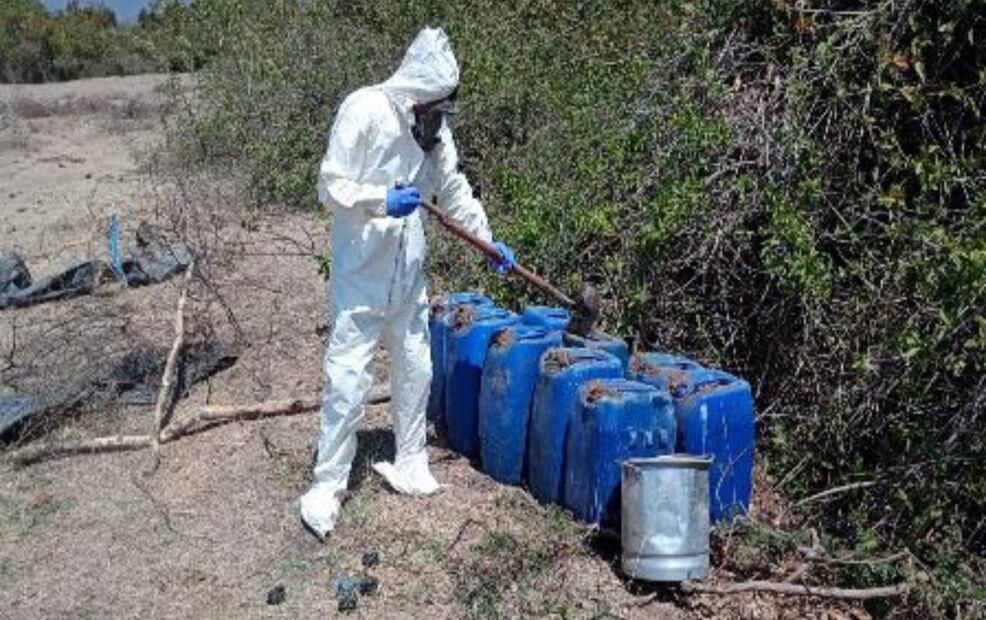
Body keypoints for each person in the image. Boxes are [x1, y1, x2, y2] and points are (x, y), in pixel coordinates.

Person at [300, 27, 516, 539]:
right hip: (361, 277)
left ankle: (411, 459)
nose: (437, 118)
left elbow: (454, 188)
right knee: (348, 381)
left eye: (443, 110)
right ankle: (327, 484)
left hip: (408, 277)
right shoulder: (364, 109)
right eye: (432, 107)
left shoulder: (435, 130)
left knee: (416, 368)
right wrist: (381, 200)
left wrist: (488, 242)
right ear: (416, 92)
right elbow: (330, 186)